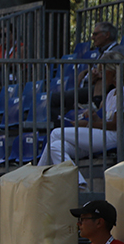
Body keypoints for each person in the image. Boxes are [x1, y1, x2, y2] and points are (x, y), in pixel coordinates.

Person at [36, 54, 119, 186]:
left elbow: (115, 125)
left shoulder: (122, 92)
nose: (101, 74)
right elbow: (105, 120)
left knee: (57, 133)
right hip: (104, 136)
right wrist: (95, 117)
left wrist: (88, 124)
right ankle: (79, 185)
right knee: (55, 146)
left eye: (104, 70)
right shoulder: (110, 94)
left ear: (114, 71)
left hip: (114, 137)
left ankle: (36, 178)